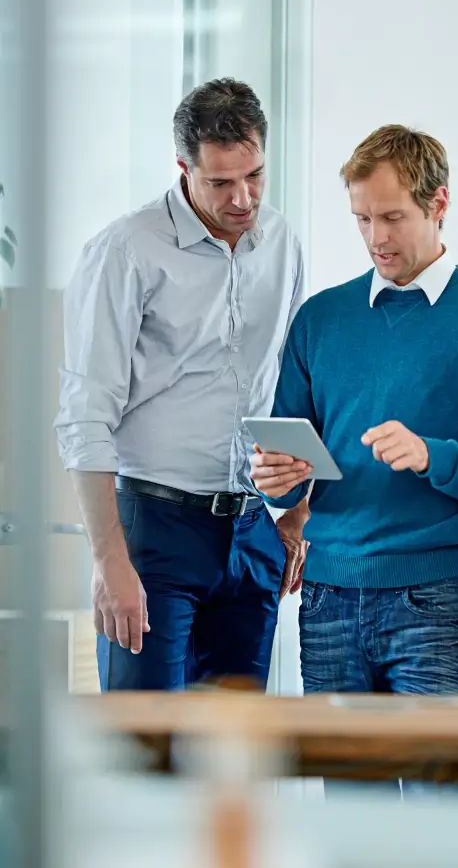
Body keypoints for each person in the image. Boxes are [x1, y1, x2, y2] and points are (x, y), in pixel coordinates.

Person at [251, 125, 458, 793]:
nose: (375, 237)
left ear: (439, 204)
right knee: (351, 816)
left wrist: (431, 454)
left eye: (392, 217)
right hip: (327, 600)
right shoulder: (321, 319)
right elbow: (285, 466)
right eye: (362, 219)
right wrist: (275, 481)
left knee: (443, 813)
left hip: (434, 603)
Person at [55, 78, 308, 691]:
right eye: (220, 182)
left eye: (255, 175)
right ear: (183, 168)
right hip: (154, 529)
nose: (243, 198)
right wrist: (108, 560)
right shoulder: (126, 250)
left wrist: (300, 514)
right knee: (146, 737)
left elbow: (295, 384)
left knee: (235, 740)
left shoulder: (282, 243)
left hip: (251, 528)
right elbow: (86, 414)